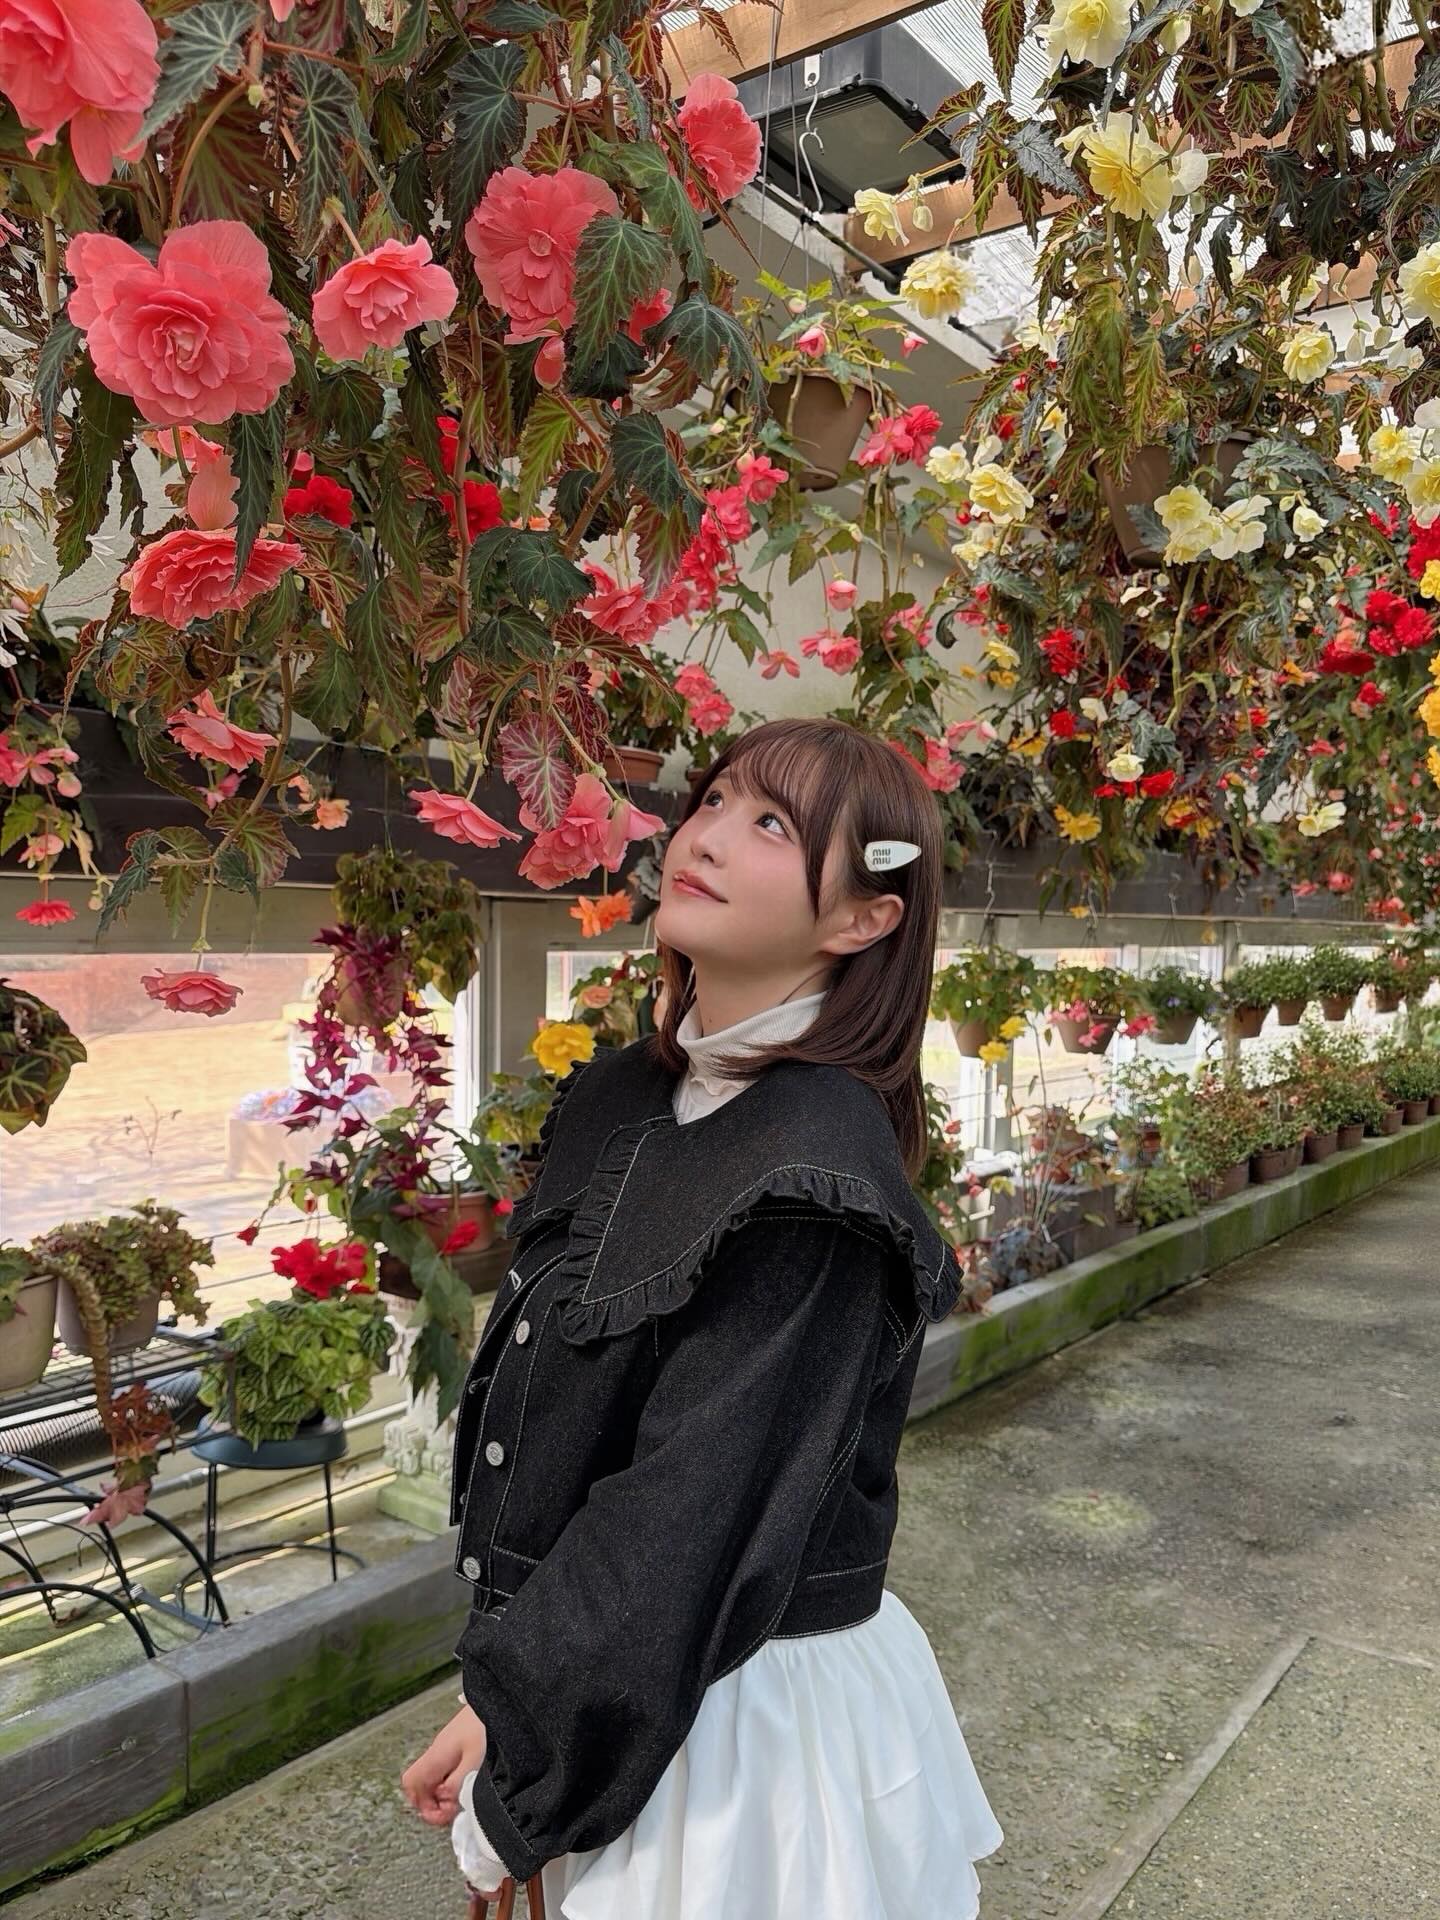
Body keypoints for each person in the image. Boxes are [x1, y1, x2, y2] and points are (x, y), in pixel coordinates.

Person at [401, 716, 1004, 1916]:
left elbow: (688, 1507)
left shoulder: (817, 1177)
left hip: (745, 1730)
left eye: (773, 824)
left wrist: (526, 1737)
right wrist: (501, 1686)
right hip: (618, 1667)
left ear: (862, 918)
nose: (709, 837)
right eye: (714, 801)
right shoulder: (626, 1092)